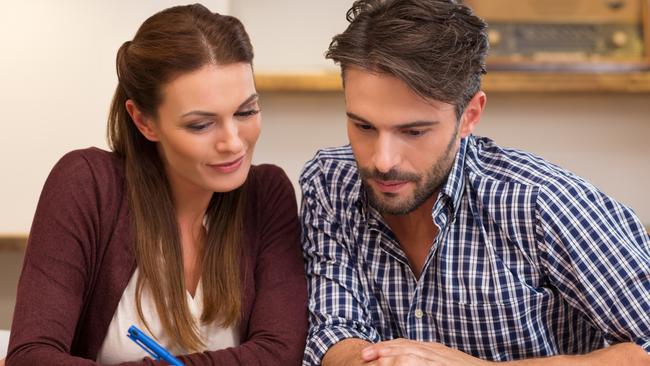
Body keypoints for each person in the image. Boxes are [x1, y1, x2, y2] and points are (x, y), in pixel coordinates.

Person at [299, 0, 650, 365]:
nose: (382, 161)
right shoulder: (329, 183)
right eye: (364, 126)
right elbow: (333, 330)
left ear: (470, 116)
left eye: (414, 131)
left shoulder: (542, 201)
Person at [4, 4, 306, 365]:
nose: (233, 142)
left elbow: (279, 354)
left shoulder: (266, 194)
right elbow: (31, 356)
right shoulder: (87, 184)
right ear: (144, 121)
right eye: (200, 124)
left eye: (246, 112)